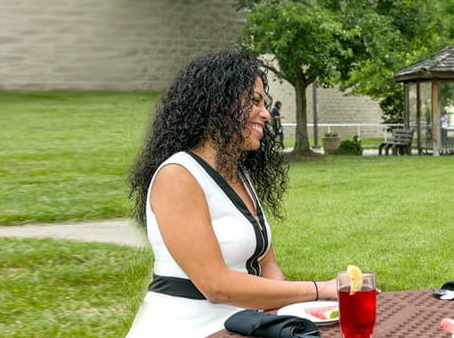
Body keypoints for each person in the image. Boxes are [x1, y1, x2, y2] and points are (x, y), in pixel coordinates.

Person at [126, 50, 337, 337]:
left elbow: (268, 266)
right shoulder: (177, 175)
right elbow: (216, 285)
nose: (265, 113)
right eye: (254, 101)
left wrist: (285, 318)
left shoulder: (240, 176)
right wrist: (319, 290)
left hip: (242, 326)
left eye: (263, 102)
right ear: (217, 104)